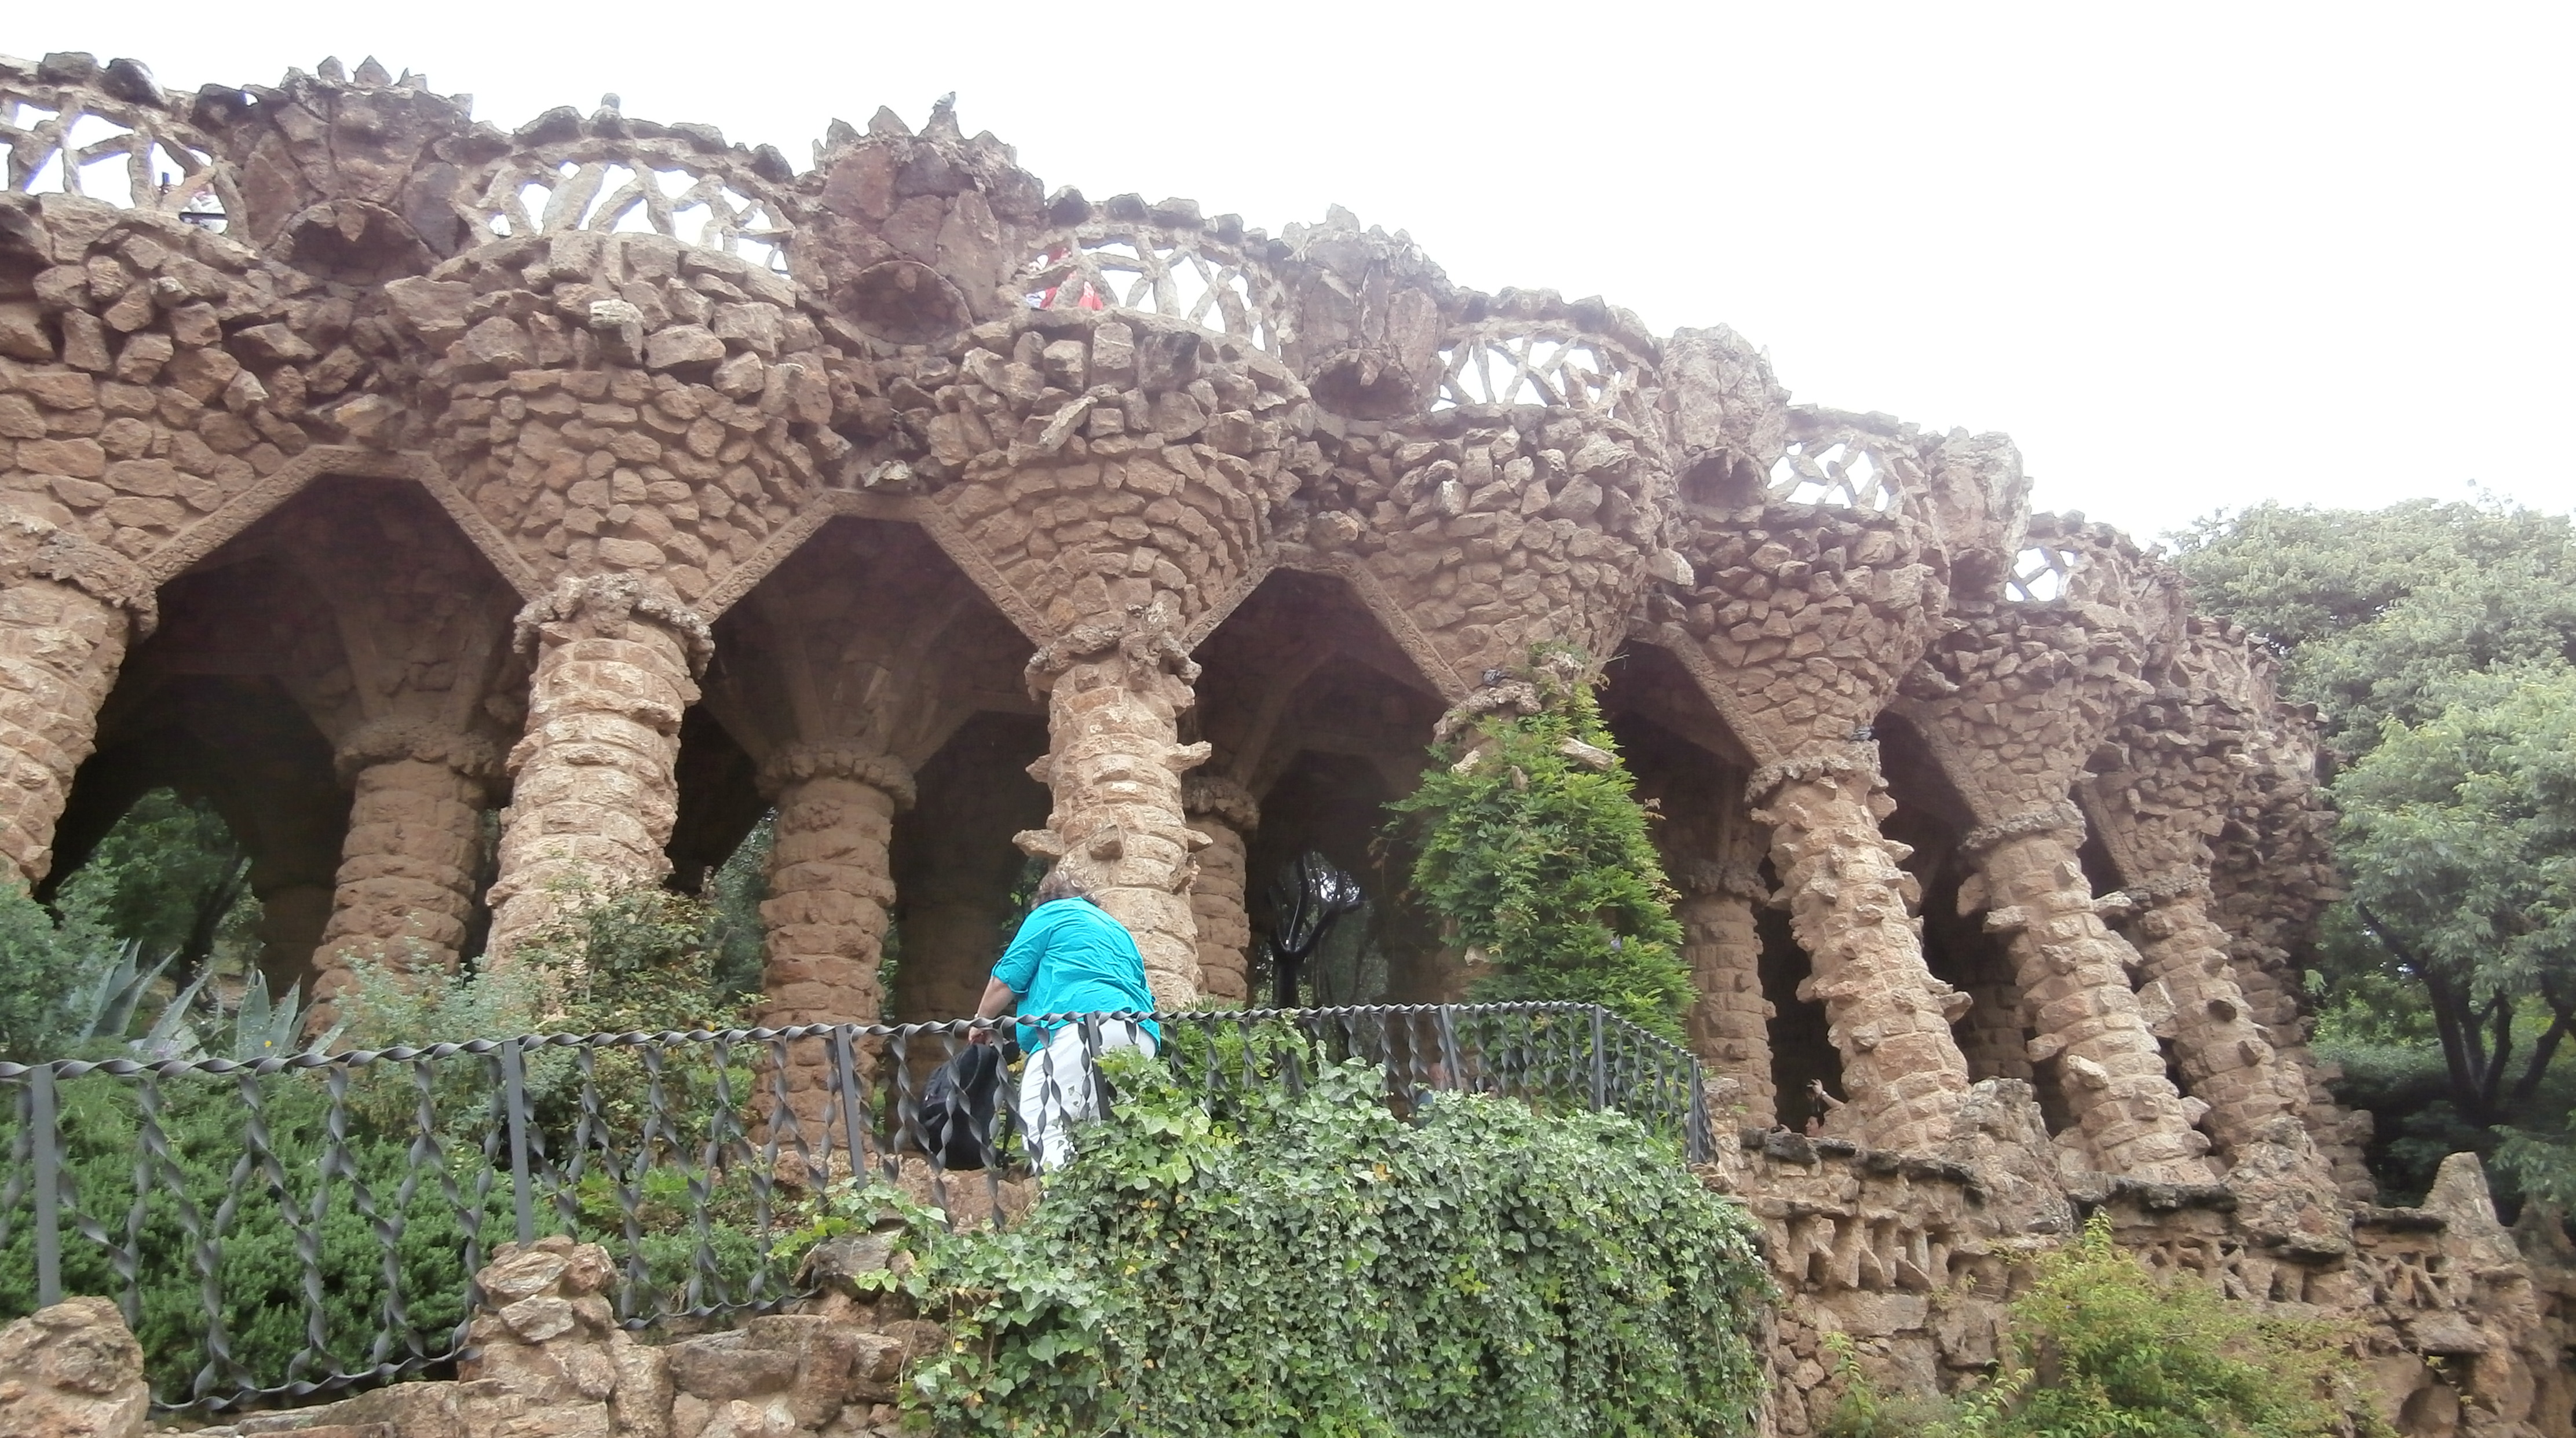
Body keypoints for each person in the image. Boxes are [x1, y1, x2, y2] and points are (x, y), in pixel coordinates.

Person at [969, 865, 1160, 1169]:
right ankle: (1096, 1197)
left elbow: (1006, 980)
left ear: (1045, 899)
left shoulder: (1052, 913)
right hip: (1139, 1032)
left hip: (1082, 1025)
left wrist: (981, 1021)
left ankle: (1057, 1195)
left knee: (1043, 1119)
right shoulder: (1117, 929)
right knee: (1104, 1134)